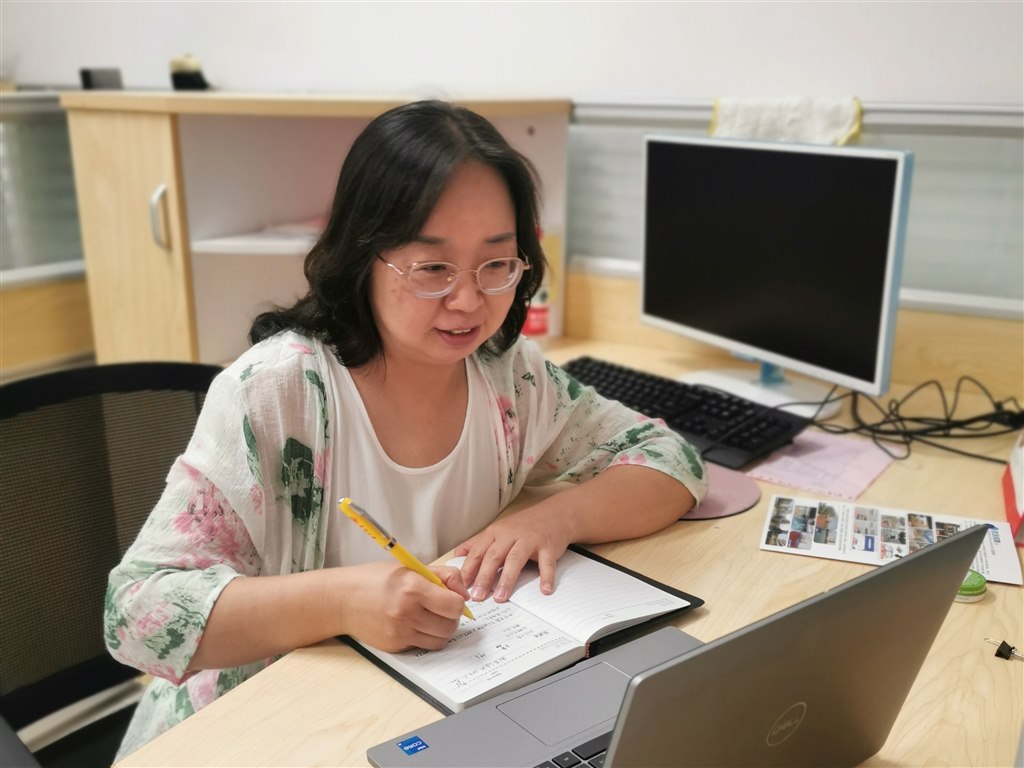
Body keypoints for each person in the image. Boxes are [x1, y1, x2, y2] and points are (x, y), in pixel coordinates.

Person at [104, 99, 707, 758]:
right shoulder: (277, 394)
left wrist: (552, 520)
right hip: (260, 731)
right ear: (363, 255)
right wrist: (341, 602)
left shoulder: (509, 378)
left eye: (497, 265)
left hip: (416, 718)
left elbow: (670, 461)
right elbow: (136, 613)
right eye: (433, 269)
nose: (469, 301)